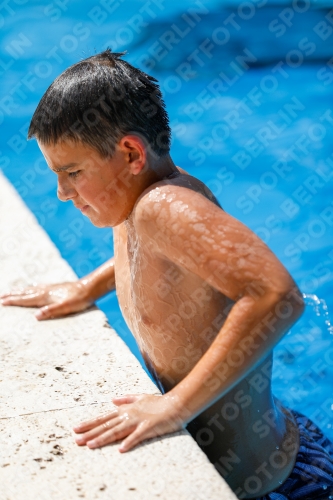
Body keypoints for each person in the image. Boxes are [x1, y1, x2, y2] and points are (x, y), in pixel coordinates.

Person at [1, 49, 333, 500]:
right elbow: (156, 261)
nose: (62, 193)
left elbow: (277, 295)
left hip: (285, 485)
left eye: (73, 172)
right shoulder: (133, 199)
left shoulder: (167, 207)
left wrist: (175, 406)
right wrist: (88, 287)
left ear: (131, 153)